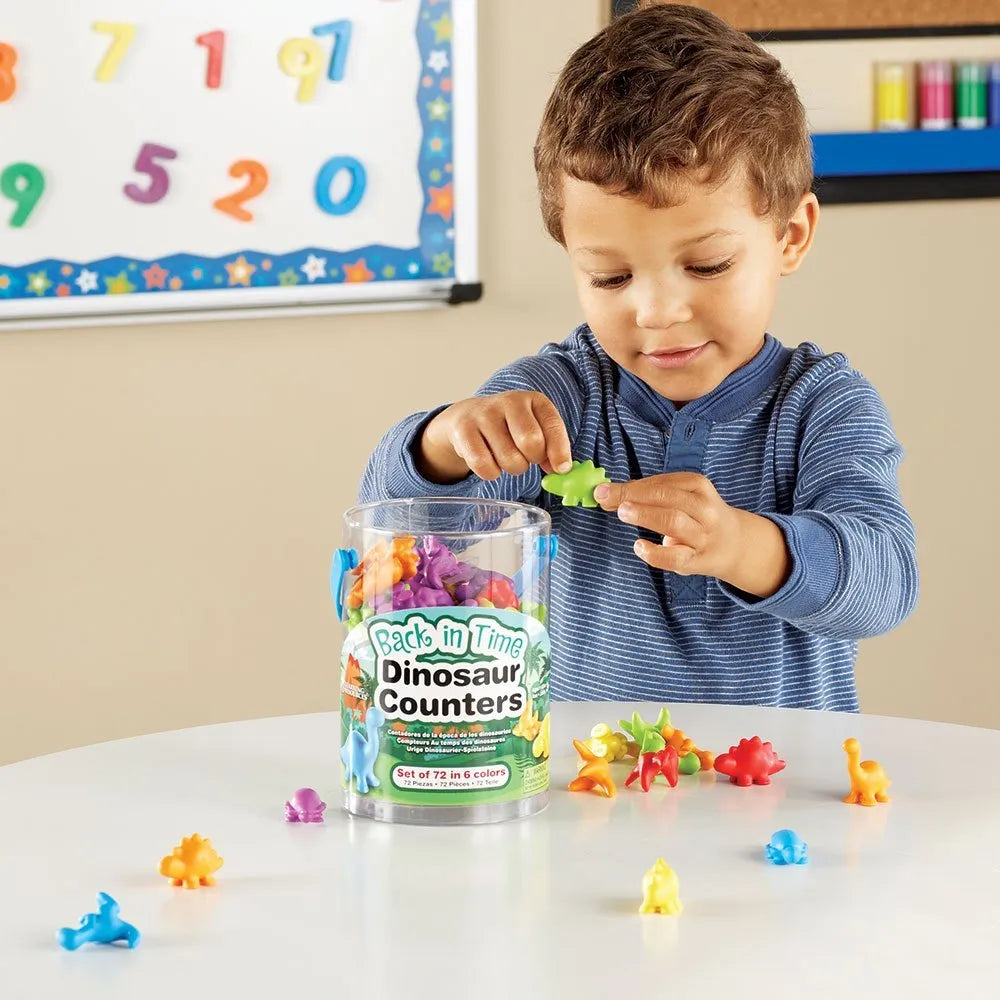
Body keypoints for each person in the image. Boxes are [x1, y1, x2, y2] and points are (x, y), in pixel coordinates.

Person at [358, 2, 918, 710]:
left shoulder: (823, 405)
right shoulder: (556, 399)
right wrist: (445, 445)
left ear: (791, 235)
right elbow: (396, 549)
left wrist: (740, 545)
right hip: (588, 775)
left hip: (784, 778)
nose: (656, 311)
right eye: (610, 277)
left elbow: (884, 584)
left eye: (707, 265)